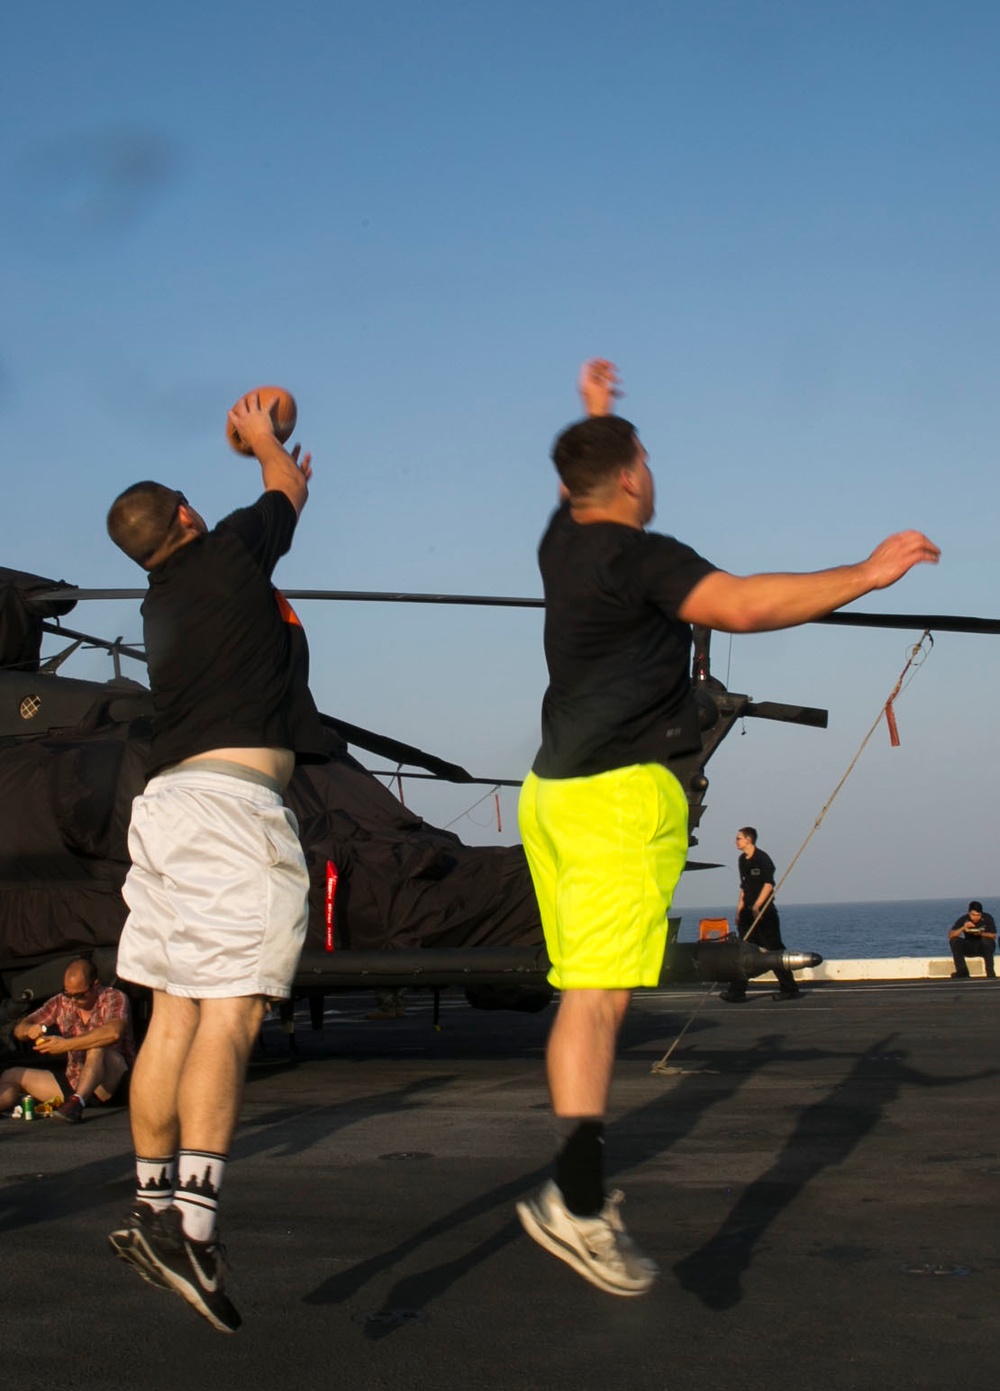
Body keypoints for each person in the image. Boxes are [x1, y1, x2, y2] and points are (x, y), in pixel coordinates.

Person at [515, 358, 939, 1297]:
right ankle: (577, 1206)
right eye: (644, 457)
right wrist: (866, 573)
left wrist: (592, 417)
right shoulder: (641, 555)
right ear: (630, 476)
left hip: (548, 794)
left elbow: (567, 484)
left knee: (585, 991)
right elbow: (744, 603)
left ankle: (578, 1192)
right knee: (596, 1000)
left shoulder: (562, 544)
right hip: (620, 798)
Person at [103, 391, 327, 1333]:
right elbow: (288, 492)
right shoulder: (229, 553)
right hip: (235, 812)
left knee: (172, 1016)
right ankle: (193, 1233)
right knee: (229, 1017)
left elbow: (283, 498)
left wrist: (268, 462)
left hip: (166, 809)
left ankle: (153, 1208)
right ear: (188, 516)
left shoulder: (164, 600)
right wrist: (265, 437)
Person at [0, 958, 134, 1122]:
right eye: (68, 994)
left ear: (95, 985)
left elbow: (114, 1032)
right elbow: (20, 1029)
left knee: (96, 1046)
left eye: (79, 996)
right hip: (74, 1079)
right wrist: (29, 1030)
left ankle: (77, 1102)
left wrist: (65, 1045)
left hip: (111, 1080)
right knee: (11, 1075)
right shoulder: (61, 1002)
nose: (73, 1001)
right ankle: (74, 1099)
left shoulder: (114, 997)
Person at [719, 827, 799, 1002]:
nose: (736, 841)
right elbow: (744, 886)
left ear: (748, 840)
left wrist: (757, 906)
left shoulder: (762, 859)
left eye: (739, 838)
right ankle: (737, 991)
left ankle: (789, 987)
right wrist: (740, 908)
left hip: (764, 913)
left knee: (774, 949)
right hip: (748, 913)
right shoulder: (742, 860)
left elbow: (769, 884)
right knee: (742, 950)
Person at [948, 901, 996, 978]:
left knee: (986, 941)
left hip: (984, 947)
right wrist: (963, 928)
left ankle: (990, 972)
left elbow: (993, 935)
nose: (975, 917)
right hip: (970, 946)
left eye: (978, 915)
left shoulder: (987, 918)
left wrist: (981, 934)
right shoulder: (964, 919)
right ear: (969, 913)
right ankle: (962, 971)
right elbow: (950, 935)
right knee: (955, 941)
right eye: (973, 915)